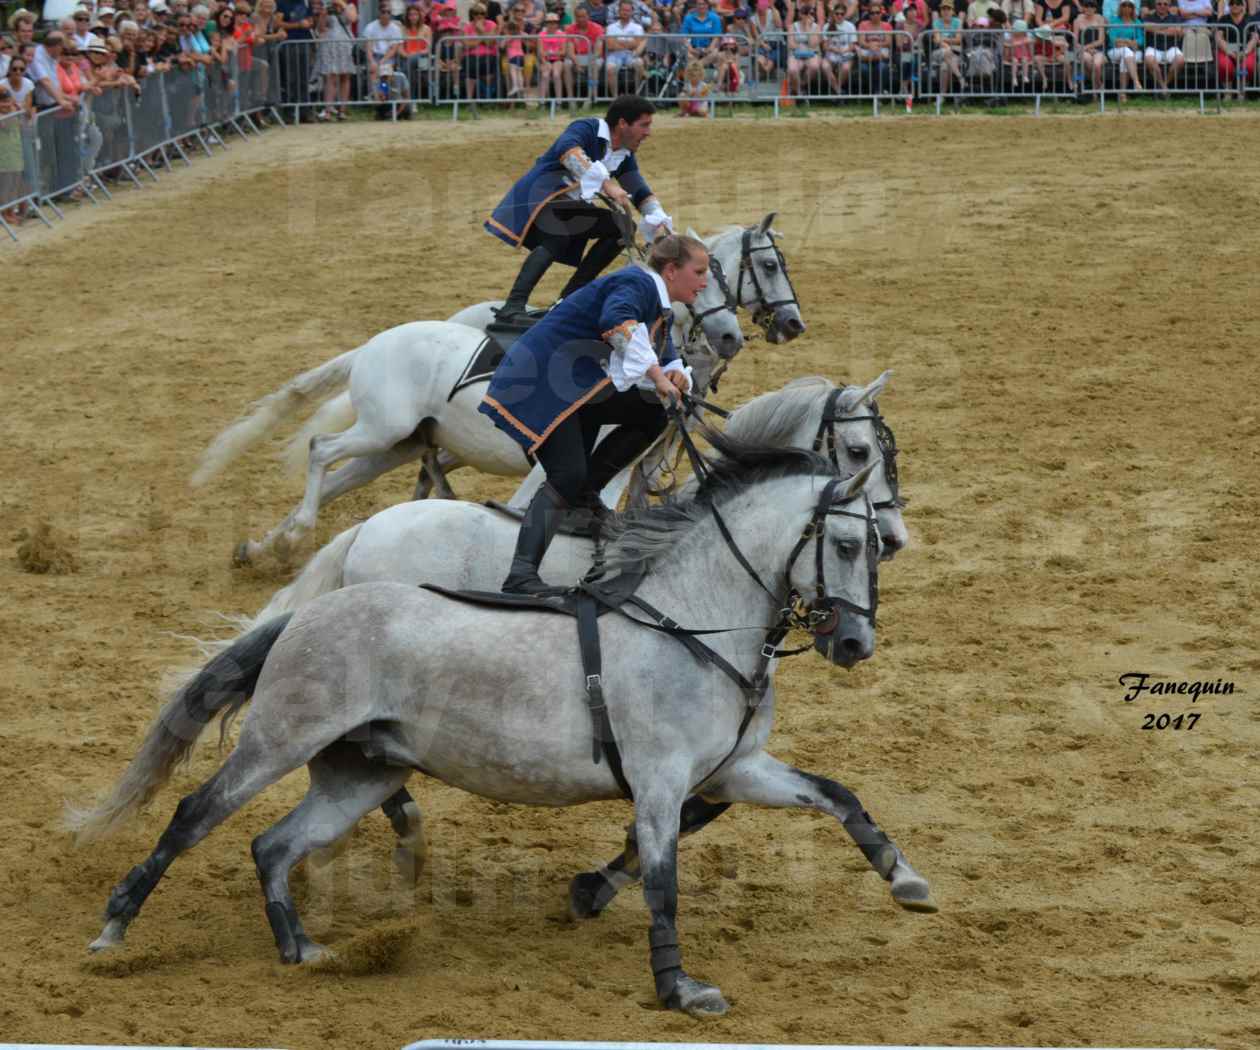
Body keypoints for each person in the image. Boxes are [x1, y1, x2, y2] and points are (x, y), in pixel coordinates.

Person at [478, 234, 708, 595]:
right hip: (543, 383)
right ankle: (520, 575)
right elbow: (617, 322)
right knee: (566, 473)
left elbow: (665, 355)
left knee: (653, 411)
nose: (705, 281)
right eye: (699, 271)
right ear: (671, 270)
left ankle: (584, 498)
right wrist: (660, 378)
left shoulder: (658, 304)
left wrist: (677, 374)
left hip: (575, 388)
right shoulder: (636, 283)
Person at [486, 94, 673, 324]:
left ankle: (566, 301)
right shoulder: (587, 127)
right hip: (540, 197)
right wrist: (607, 185)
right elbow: (568, 152)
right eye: (644, 125)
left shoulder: (624, 154)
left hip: (567, 207)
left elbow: (639, 190)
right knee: (559, 234)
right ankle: (513, 304)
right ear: (623, 123)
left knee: (621, 226)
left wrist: (658, 218)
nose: (648, 132)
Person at [1143, 0, 1183, 92]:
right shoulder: (1149, 17)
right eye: (1159, 4)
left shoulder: (1175, 17)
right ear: (1155, 5)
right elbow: (1146, 26)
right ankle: (1163, 87)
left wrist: (1156, 29)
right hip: (1153, 47)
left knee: (1180, 60)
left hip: (1171, 47)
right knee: (1149, 60)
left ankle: (1164, 85)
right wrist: (1167, 28)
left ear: (1169, 6)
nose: (1162, 6)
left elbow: (1177, 31)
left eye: (1165, 4)